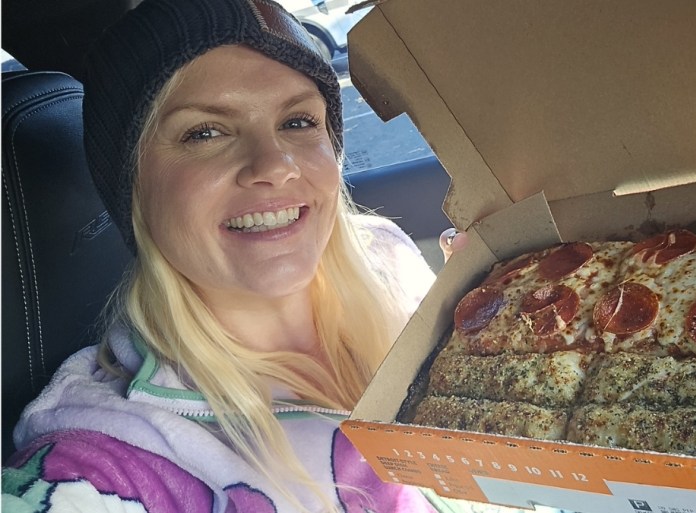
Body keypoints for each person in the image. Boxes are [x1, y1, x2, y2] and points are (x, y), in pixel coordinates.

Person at [0, 1, 485, 511]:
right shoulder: (110, 461)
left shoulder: (387, 254)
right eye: (204, 132)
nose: (275, 164)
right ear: (133, 187)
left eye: (298, 121)